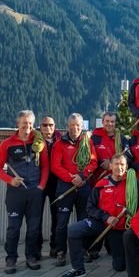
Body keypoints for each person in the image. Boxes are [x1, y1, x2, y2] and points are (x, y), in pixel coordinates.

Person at [59, 155, 139, 277]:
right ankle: (78, 269)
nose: (119, 167)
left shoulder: (133, 183)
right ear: (110, 166)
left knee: (120, 267)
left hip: (122, 227)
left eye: (122, 164)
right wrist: (105, 217)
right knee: (73, 229)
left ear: (126, 167)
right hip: (102, 223)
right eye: (116, 164)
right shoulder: (101, 184)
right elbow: (90, 207)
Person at [0, 110, 49, 274]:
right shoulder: (7, 144)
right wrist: (10, 180)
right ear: (17, 124)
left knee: (33, 228)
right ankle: (11, 258)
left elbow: (45, 166)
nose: (28, 126)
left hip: (34, 192)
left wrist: (41, 187)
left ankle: (31, 256)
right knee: (13, 228)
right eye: (24, 123)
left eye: (30, 123)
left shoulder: (39, 143)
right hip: (15, 193)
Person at [50, 113, 98, 267]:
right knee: (61, 223)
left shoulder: (87, 142)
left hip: (83, 186)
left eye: (78, 125)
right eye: (72, 125)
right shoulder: (59, 144)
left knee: (83, 221)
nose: (75, 128)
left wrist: (82, 176)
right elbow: (55, 166)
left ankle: (81, 251)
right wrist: (72, 178)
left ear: (82, 126)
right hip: (66, 186)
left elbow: (93, 162)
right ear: (67, 125)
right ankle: (61, 252)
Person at [39, 116, 62, 258]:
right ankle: (37, 248)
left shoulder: (61, 140)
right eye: (45, 125)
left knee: (57, 217)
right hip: (38, 183)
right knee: (36, 217)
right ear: (40, 127)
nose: (48, 128)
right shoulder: (33, 139)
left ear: (55, 126)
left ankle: (55, 246)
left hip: (56, 183)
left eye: (51, 125)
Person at [91, 111, 131, 183]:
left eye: (112, 121)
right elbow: (89, 156)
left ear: (115, 123)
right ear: (102, 122)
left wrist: (111, 164)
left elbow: (129, 156)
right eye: (107, 121)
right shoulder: (95, 137)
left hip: (118, 179)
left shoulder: (122, 138)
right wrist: (101, 163)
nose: (109, 124)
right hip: (98, 178)